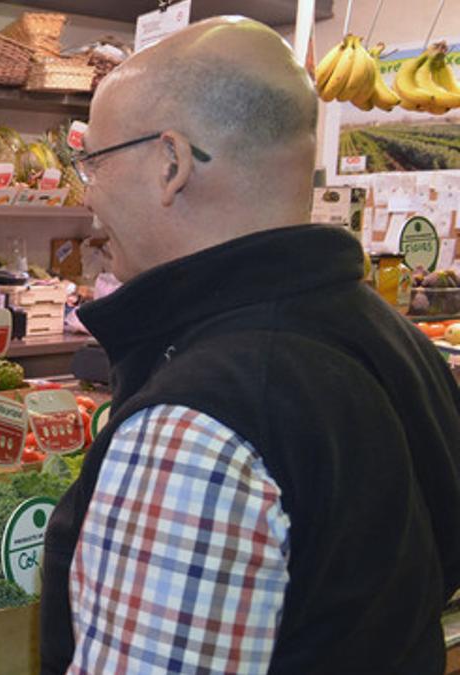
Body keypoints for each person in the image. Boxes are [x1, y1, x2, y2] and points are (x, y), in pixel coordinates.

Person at [41, 17, 460, 674]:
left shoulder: (195, 422)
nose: (88, 197)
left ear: (171, 164)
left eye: (93, 162)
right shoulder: (400, 343)